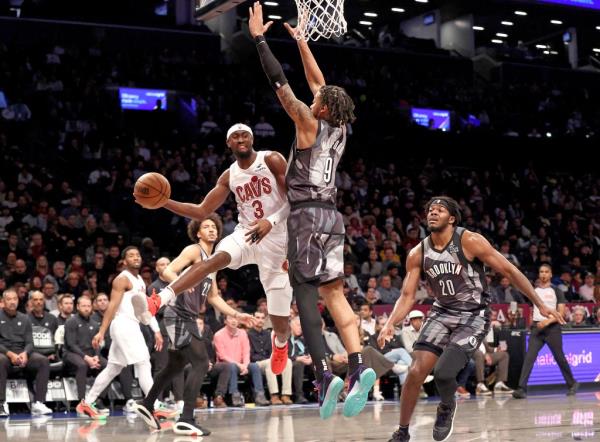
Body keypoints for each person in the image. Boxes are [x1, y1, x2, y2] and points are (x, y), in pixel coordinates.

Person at [248, 2, 375, 420]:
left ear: (320, 107)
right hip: (333, 217)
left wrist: (260, 39)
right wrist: (301, 41)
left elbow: (279, 82)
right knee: (335, 293)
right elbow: (318, 81)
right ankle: (357, 367)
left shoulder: (306, 121)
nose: (313, 94)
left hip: (304, 214)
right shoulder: (340, 128)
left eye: (316, 98)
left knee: (304, 293)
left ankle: (324, 374)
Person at [378, 196, 564, 442]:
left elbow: (509, 270)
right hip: (441, 312)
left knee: (444, 373)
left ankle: (446, 406)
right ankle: (402, 432)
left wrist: (539, 303)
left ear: (452, 218)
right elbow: (407, 294)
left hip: (473, 315)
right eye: (430, 210)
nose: (433, 213)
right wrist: (390, 322)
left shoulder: (470, 241)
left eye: (440, 210)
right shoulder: (418, 252)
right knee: (415, 371)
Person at [138, 124, 292, 379]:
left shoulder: (272, 159)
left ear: (252, 139)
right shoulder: (229, 175)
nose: (241, 139)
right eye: (235, 137)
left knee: (281, 322)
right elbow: (201, 211)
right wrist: (164, 202)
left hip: (278, 240)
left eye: (245, 135)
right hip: (247, 234)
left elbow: (294, 199)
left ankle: (281, 344)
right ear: (228, 144)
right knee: (212, 260)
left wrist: (271, 221)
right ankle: (159, 299)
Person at [134, 215, 257, 436]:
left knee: (175, 366)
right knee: (201, 362)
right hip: (177, 314)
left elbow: (214, 297)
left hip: (187, 317)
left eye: (214, 227)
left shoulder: (214, 262)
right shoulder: (194, 250)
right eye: (206, 227)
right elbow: (168, 270)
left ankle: (147, 403)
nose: (211, 230)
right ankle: (186, 418)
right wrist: (183, 281)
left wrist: (238, 315)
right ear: (198, 233)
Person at [76, 247, 164, 420]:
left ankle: (87, 402)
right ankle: (155, 405)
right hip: (123, 325)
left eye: (138, 255)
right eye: (131, 256)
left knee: (113, 368)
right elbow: (112, 306)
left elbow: (145, 309)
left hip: (132, 324)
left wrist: (156, 329)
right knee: (143, 363)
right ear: (124, 261)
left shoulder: (139, 280)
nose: (135, 257)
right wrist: (101, 331)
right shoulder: (122, 279)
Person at [512, 264, 578, 399]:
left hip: (552, 328)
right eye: (541, 271)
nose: (543, 274)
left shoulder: (557, 291)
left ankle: (572, 383)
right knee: (529, 357)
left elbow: (561, 313)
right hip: (537, 328)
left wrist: (546, 322)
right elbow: (532, 310)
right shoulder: (534, 291)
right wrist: (533, 325)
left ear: (551, 274)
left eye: (546, 272)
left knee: (559, 357)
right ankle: (521, 389)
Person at [0, 288, 52, 417]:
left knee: (43, 361)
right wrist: (10, 354)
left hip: (22, 353)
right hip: (4, 353)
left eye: (15, 299)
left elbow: (30, 342)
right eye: (9, 299)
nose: (12, 302)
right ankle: (1, 403)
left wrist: (25, 353)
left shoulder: (25, 318)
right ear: (3, 301)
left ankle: (38, 402)